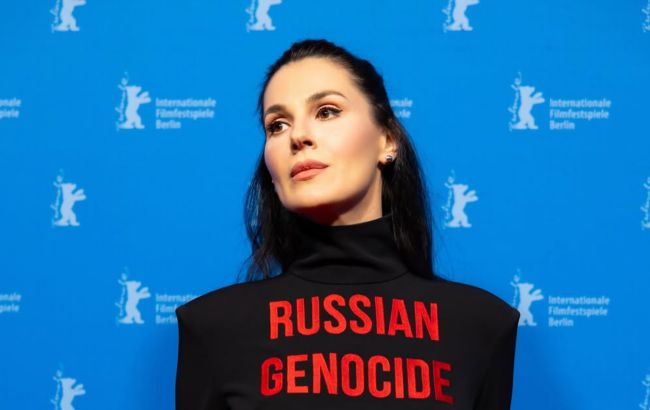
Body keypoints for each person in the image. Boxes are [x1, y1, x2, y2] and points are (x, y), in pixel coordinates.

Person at [175, 38, 520, 410]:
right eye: (277, 125)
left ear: (387, 140)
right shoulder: (212, 328)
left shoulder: (482, 325)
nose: (298, 136)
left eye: (326, 111)